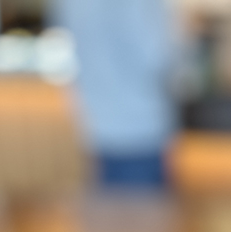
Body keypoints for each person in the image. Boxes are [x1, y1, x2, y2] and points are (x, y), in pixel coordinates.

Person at [51, 0, 178, 187]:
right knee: (141, 204)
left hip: (90, 127)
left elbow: (61, 45)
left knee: (104, 202)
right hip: (138, 132)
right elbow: (157, 57)